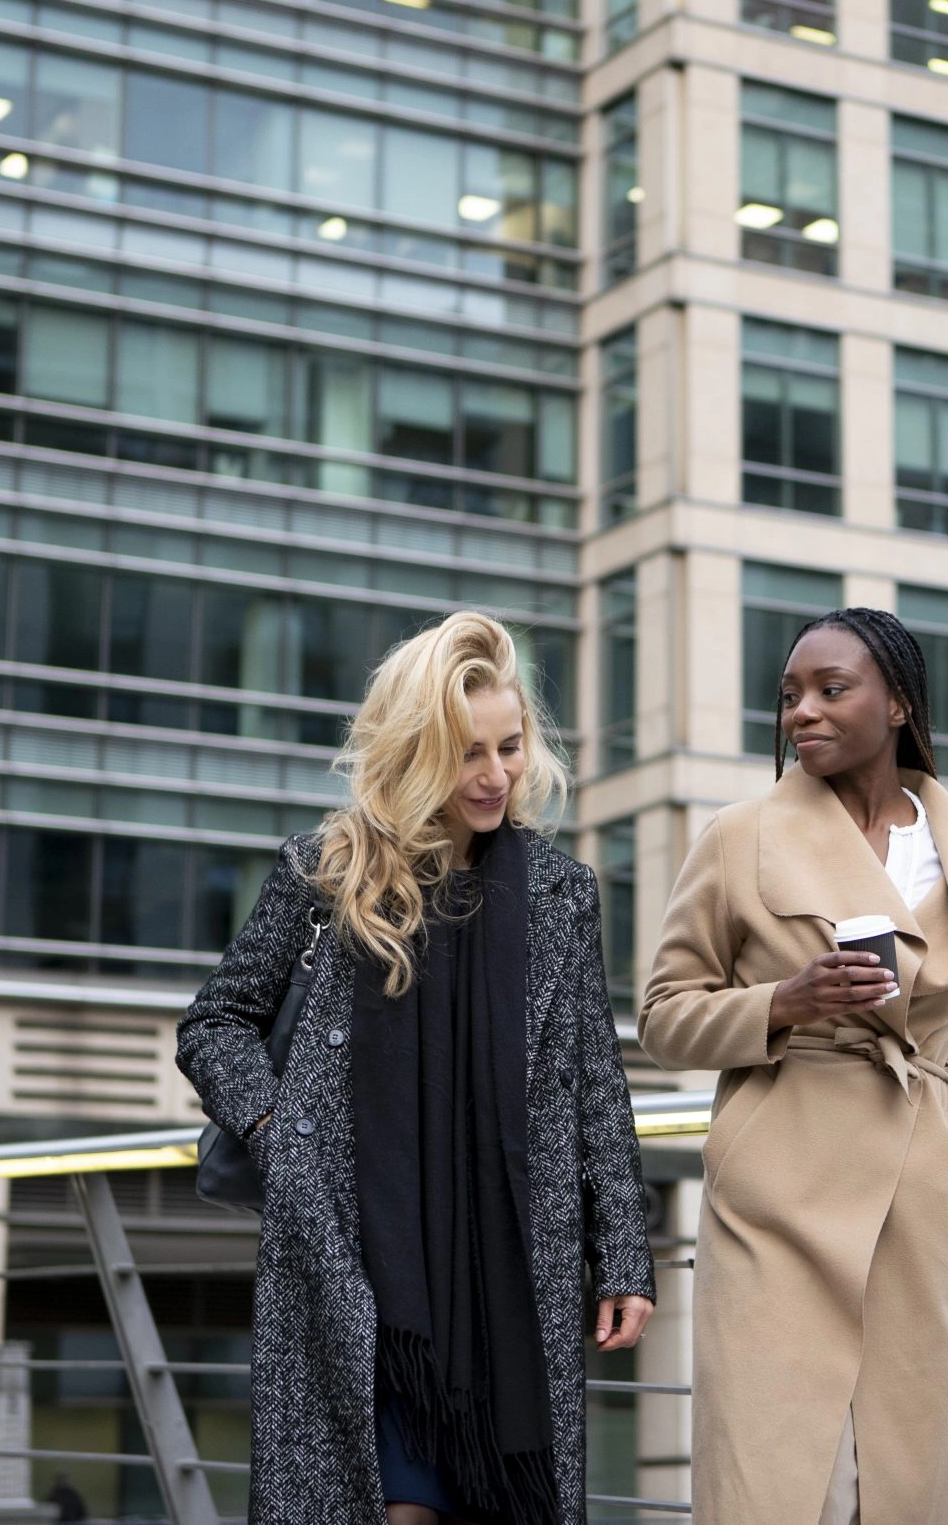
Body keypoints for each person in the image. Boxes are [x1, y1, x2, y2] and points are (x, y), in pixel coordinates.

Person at [177, 613, 656, 1525]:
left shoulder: (561, 895)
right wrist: (281, 1134)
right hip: (365, 1267)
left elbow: (596, 1080)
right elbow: (214, 1023)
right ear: (419, 751)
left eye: (510, 746)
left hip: (510, 1272)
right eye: (467, 751)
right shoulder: (331, 872)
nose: (495, 774)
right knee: (394, 1507)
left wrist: (624, 1255)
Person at [641, 606, 948, 1525]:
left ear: (897, 705)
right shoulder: (739, 835)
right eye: (790, 695)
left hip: (919, 1188)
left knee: (915, 1471)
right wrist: (785, 1002)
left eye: (831, 689)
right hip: (777, 1186)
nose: (801, 712)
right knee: (771, 1472)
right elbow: (663, 1017)